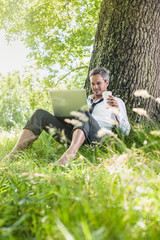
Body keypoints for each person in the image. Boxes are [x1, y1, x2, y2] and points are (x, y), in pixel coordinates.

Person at [2, 67, 130, 166]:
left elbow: (126, 131)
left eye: (98, 83)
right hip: (76, 135)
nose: (95, 87)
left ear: (106, 83)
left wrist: (117, 113)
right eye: (92, 84)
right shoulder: (85, 101)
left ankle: (69, 156)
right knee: (40, 114)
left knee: (83, 111)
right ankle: (15, 153)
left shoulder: (117, 102)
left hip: (97, 139)